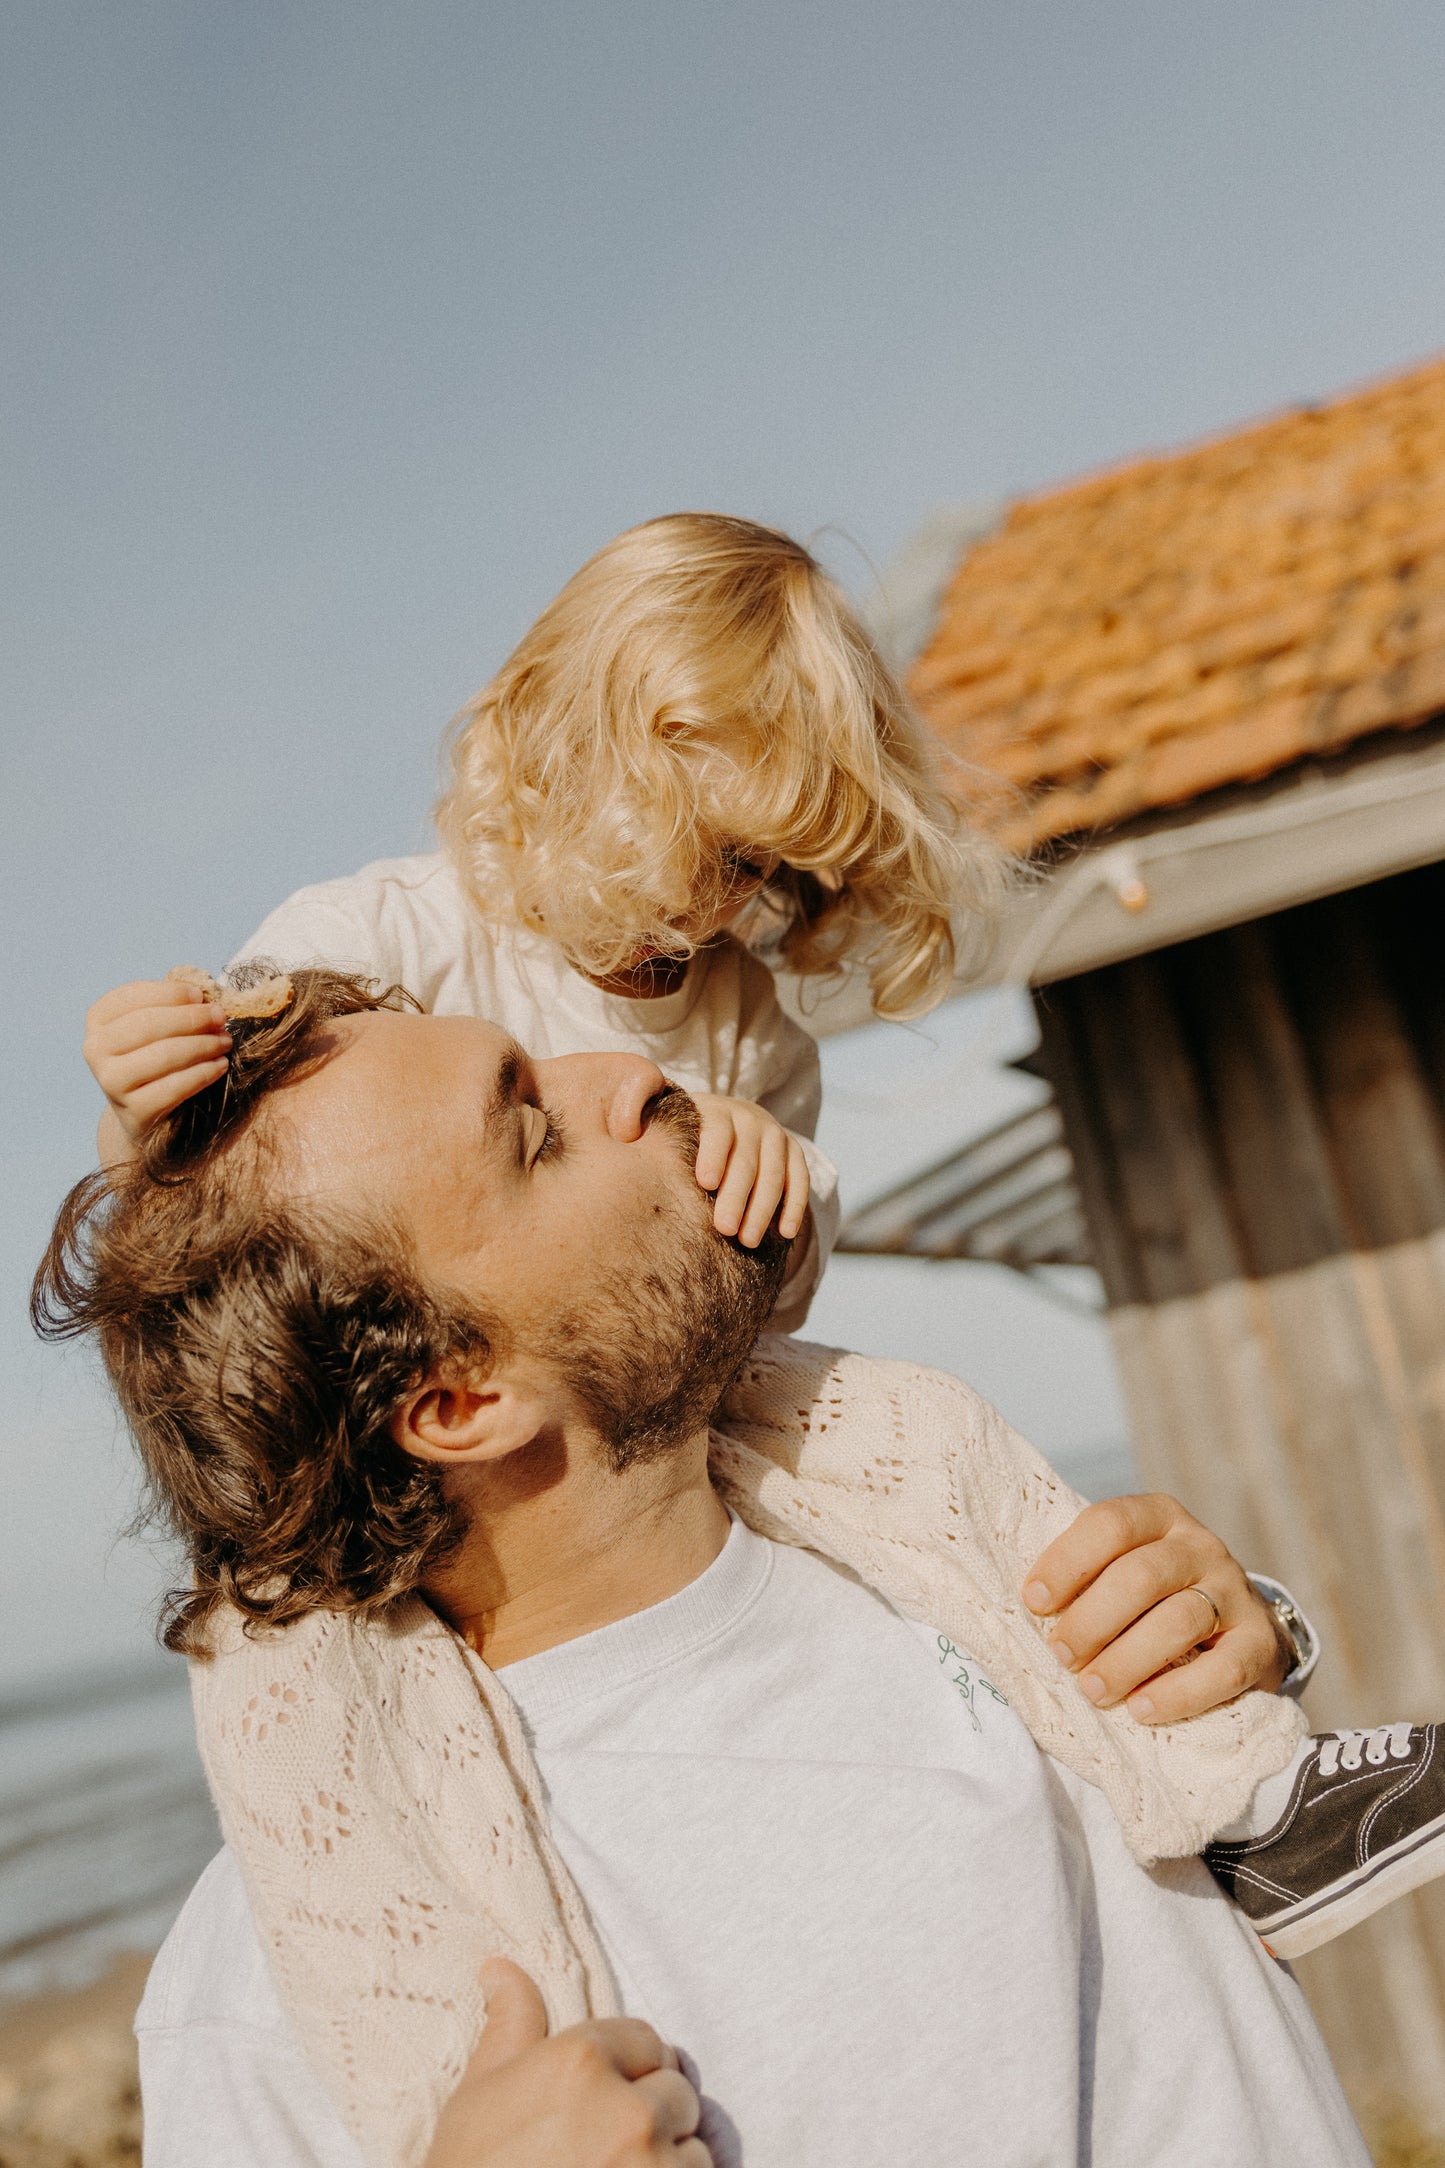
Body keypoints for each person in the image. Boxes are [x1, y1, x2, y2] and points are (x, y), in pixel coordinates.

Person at [35, 971, 1406, 2166]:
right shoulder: (296, 1982)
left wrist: (1218, 1644)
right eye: (532, 1128)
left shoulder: (934, 1542)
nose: (628, 1074)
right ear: (456, 1402)